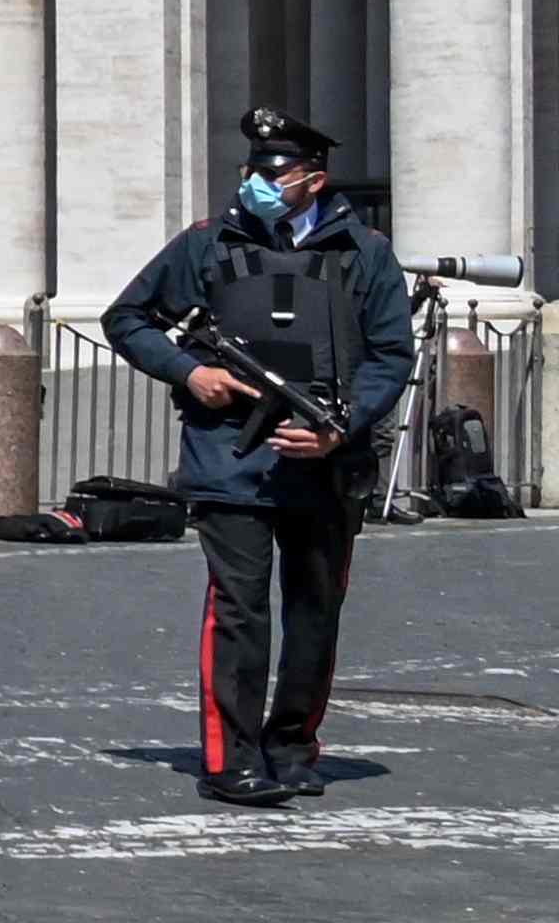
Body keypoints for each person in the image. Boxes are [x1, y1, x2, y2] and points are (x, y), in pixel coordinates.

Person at [103, 115, 412, 806]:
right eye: (254, 172)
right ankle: (232, 759)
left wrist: (343, 427)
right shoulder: (208, 245)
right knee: (240, 611)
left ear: (314, 180)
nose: (259, 184)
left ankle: (293, 746)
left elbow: (392, 355)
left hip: (326, 463)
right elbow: (127, 318)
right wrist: (188, 373)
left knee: (314, 612)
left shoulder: (364, 252)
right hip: (228, 458)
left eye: (275, 175)